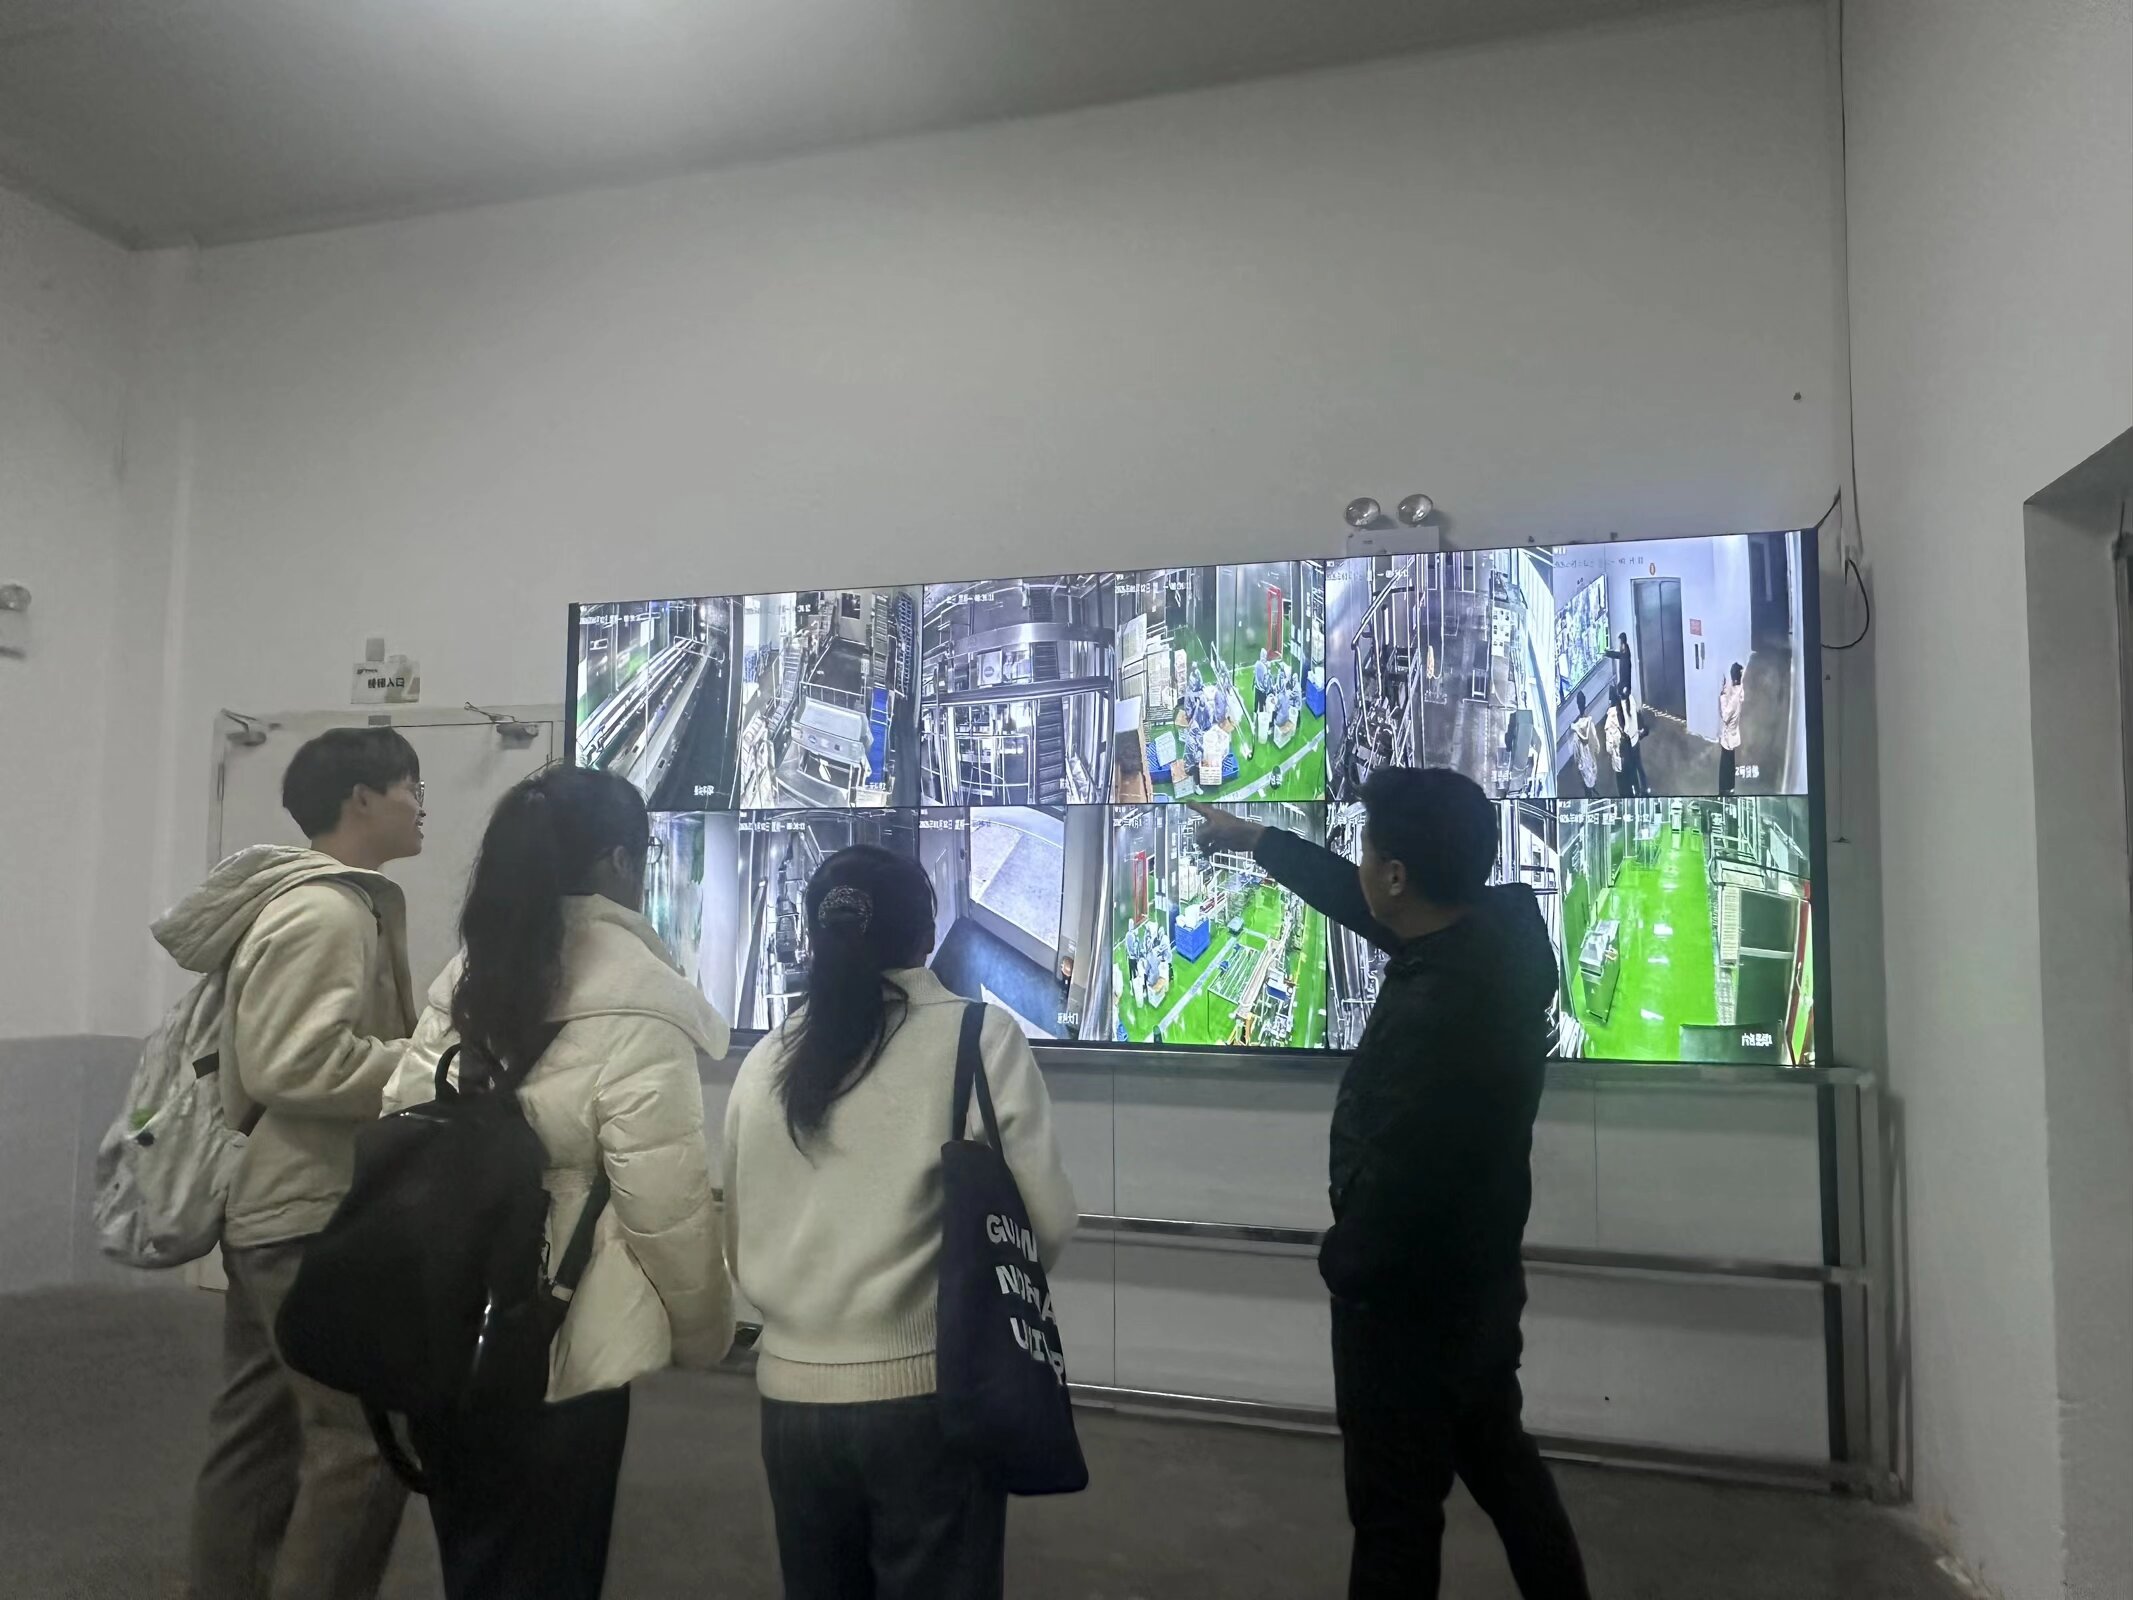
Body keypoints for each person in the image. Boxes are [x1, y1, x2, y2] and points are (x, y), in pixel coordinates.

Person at [1189, 778, 1590, 1600]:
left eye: (1368, 850)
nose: (1362, 866)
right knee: (1500, 1462)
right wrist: (1255, 839)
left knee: (1393, 1519)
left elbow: (1399, 1181)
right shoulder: (1482, 942)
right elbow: (1357, 899)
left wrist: (1346, 1267)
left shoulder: (1439, 1017)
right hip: (1476, 1284)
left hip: (1405, 1310)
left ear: (1398, 876)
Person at [383, 766, 732, 1599]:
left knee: (475, 1558)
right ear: (618, 862)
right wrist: (704, 1334)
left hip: (445, 1318)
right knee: (551, 1566)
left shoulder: (467, 977)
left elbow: (402, 1119)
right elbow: (665, 1207)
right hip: (563, 1332)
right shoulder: (642, 1005)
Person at [724, 845, 1078, 1600]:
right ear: (926, 935)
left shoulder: (765, 1060)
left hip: (789, 1404)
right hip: (929, 1398)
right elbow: (1043, 1223)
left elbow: (737, 1228)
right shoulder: (977, 1037)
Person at [176, 726, 424, 1600]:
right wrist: (427, 1067)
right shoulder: (325, 913)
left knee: (259, 1434)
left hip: (273, 1213)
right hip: (309, 1216)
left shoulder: (318, 905)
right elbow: (292, 1063)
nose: (420, 806)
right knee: (363, 1443)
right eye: (411, 787)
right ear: (362, 799)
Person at [1718, 661, 1746, 796]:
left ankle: (1726, 790)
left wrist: (1723, 696)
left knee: (1726, 765)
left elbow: (1725, 716)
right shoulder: (1740, 689)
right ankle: (1730, 788)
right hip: (1734, 734)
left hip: (1728, 737)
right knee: (1730, 762)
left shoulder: (1733, 698)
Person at [1569, 691, 1603, 797]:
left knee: (1587, 775)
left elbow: (1576, 747)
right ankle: (1591, 789)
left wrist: (1577, 760)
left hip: (1585, 756)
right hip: (1589, 753)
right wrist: (1597, 747)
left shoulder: (1577, 726)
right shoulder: (1588, 722)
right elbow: (1594, 736)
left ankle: (1589, 791)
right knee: (1591, 771)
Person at [1603, 630, 1634, 700]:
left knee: (1621, 688)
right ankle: (1623, 697)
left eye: (1620, 640)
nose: (1619, 642)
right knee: (1620, 688)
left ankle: (1624, 698)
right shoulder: (1624, 647)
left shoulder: (1625, 647)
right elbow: (1619, 655)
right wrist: (1608, 653)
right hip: (1624, 673)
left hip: (1625, 672)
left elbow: (1619, 655)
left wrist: (1608, 653)